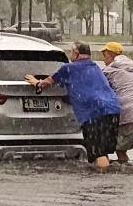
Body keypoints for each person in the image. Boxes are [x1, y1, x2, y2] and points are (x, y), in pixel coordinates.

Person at [24, 41, 121, 169]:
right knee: (103, 151)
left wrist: (36, 82)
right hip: (113, 109)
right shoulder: (95, 67)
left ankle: (102, 184)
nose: (70, 55)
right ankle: (109, 178)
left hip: (93, 113)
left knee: (98, 152)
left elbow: (48, 81)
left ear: (76, 54)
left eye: (71, 52)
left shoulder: (68, 68)